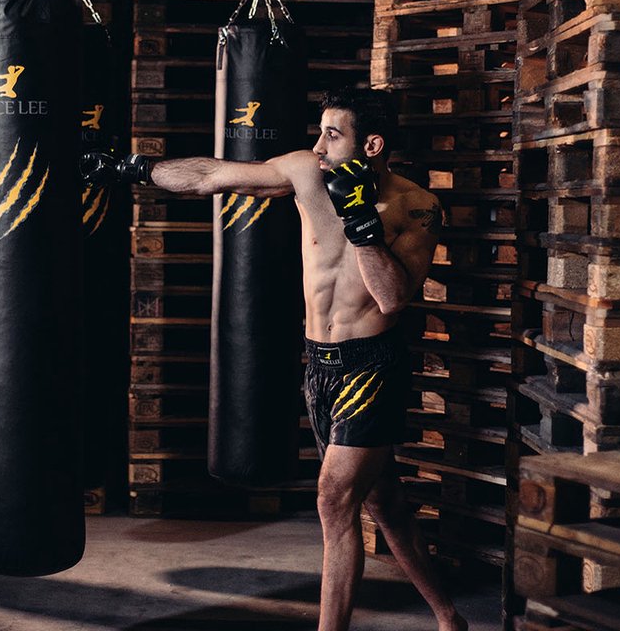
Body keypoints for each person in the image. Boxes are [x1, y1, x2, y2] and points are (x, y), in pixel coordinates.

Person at [83, 87, 466, 631]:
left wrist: (359, 219)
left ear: (372, 145)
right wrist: (131, 168)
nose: (319, 145)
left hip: (371, 367)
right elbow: (212, 176)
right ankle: (450, 618)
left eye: (333, 135)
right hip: (320, 366)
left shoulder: (417, 205)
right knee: (386, 505)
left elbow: (392, 298)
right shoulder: (305, 173)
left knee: (334, 501)